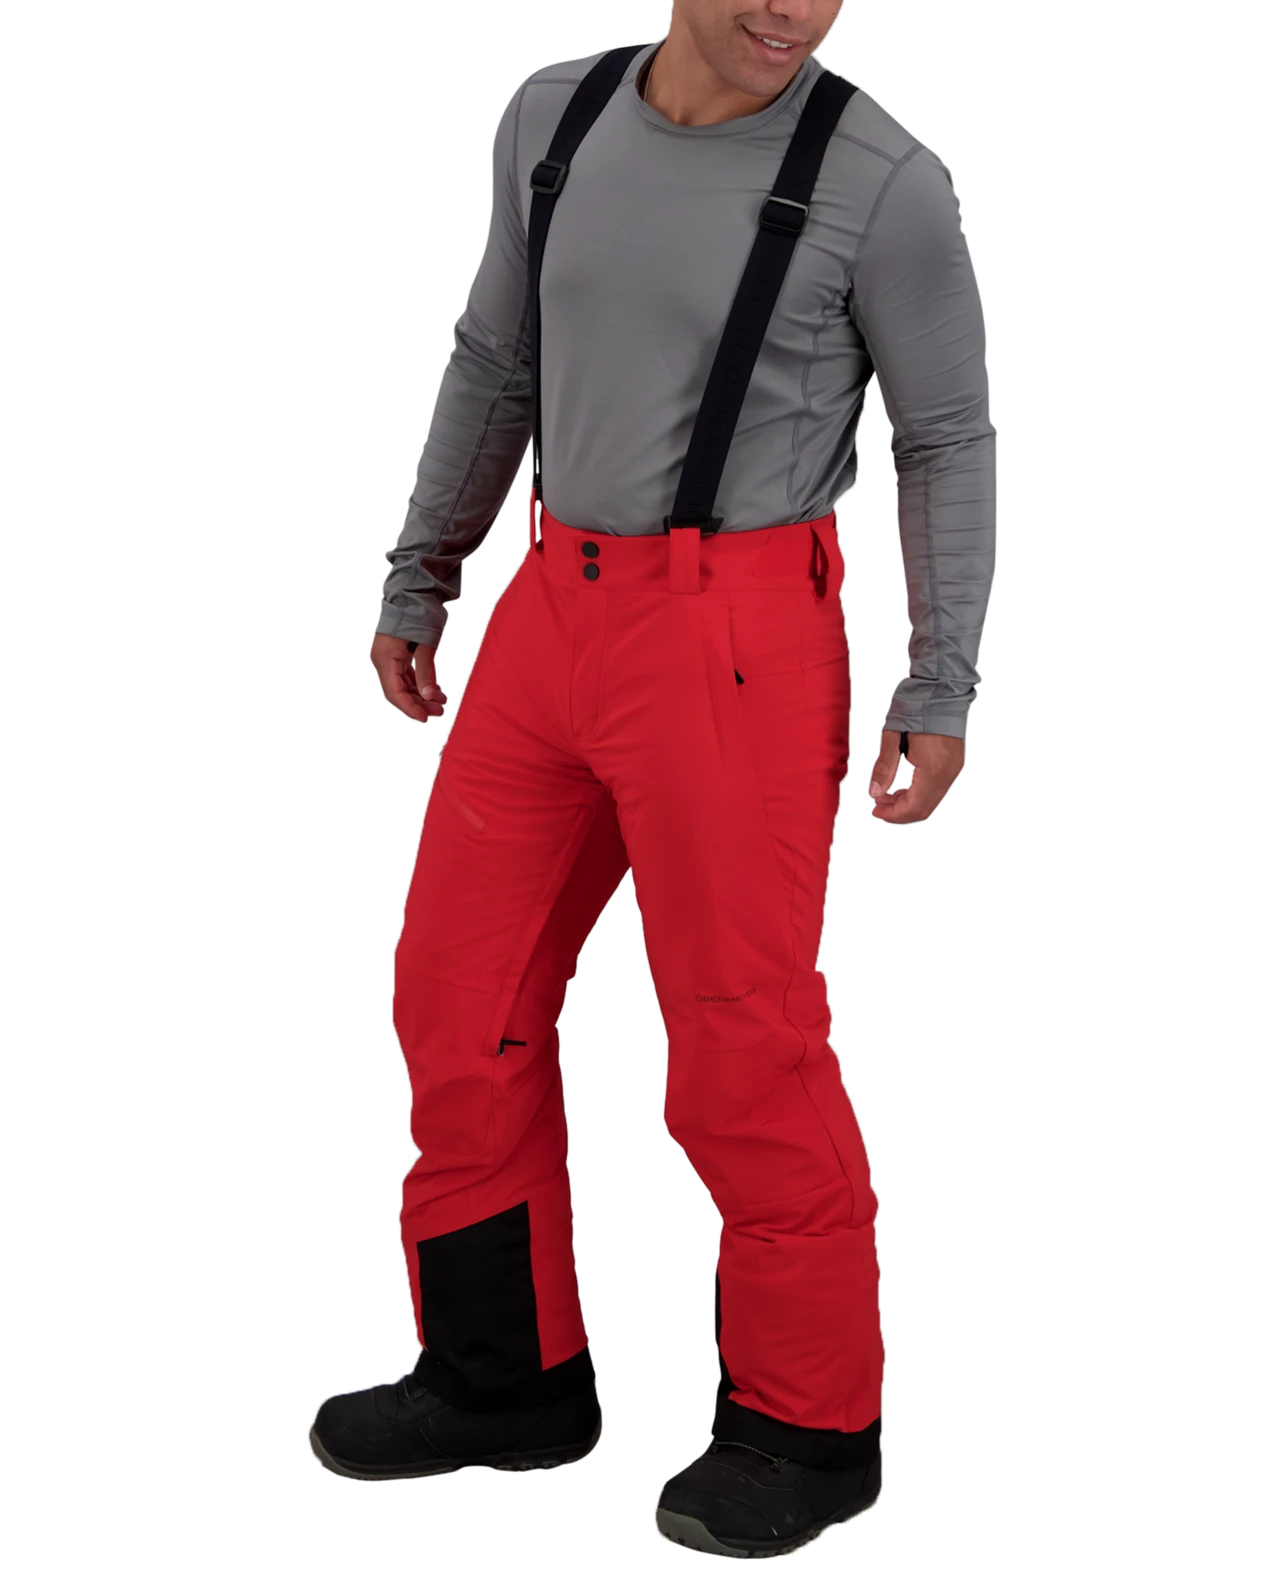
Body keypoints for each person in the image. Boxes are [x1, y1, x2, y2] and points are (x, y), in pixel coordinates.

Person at [312, 1, 995, 1558]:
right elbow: (495, 353)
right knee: (453, 990)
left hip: (735, 634)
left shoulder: (882, 179)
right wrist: (424, 567)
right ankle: (501, 1377)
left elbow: (945, 437)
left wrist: (938, 679)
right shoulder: (554, 114)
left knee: (741, 1038)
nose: (789, 12)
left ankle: (807, 1431)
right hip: (548, 609)